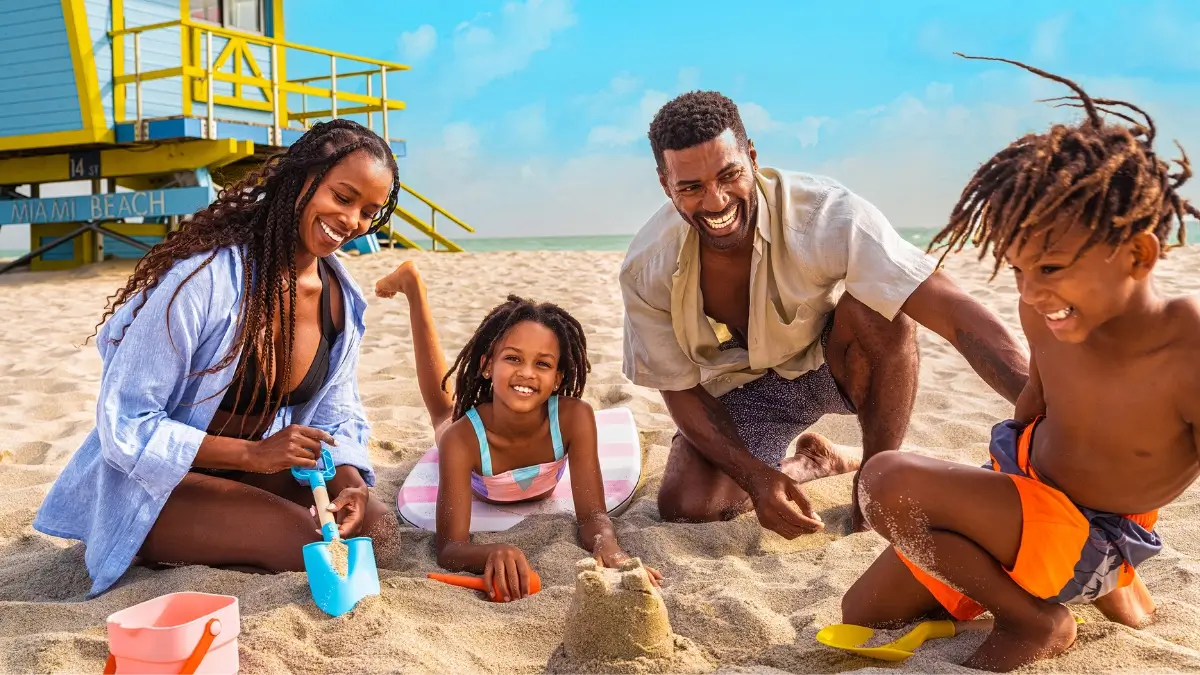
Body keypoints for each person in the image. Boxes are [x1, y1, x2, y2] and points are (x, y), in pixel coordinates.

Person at [841, 54, 1200, 672]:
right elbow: (1037, 398)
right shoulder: (1046, 311)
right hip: (1027, 497)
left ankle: (1039, 616)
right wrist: (982, 500)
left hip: (1092, 533)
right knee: (864, 612)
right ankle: (1083, 587)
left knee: (883, 482)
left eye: (1051, 269)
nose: (1030, 293)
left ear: (1138, 255)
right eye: (1017, 268)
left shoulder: (1187, 349)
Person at [619, 90, 1030, 535]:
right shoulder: (646, 267)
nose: (716, 201)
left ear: (752, 158)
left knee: (882, 308)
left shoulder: (826, 214)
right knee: (688, 507)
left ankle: (874, 483)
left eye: (729, 175)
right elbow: (677, 388)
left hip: (830, 366)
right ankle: (815, 462)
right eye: (691, 187)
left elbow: (951, 310)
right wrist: (758, 480)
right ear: (666, 185)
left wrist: (1045, 410)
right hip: (742, 396)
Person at [33, 119, 399, 596]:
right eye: (343, 197)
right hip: (161, 485)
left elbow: (337, 412)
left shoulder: (340, 300)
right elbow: (125, 421)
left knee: (374, 526)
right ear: (300, 180)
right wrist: (255, 453)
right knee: (306, 542)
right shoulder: (203, 280)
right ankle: (161, 541)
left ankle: (240, 532)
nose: (351, 222)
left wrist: (349, 481)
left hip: (252, 475)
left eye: (368, 212)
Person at [375, 261, 662, 602]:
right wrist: (492, 551)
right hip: (475, 434)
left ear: (557, 377)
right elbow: (450, 547)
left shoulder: (574, 419)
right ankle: (413, 287)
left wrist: (610, 548)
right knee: (442, 413)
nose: (527, 373)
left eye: (542, 364)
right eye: (512, 358)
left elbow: (593, 516)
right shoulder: (462, 439)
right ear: (486, 366)